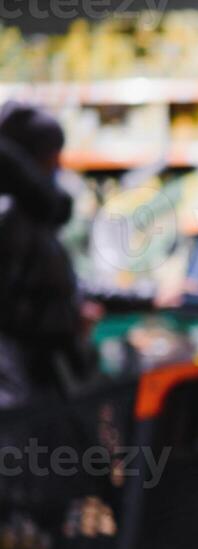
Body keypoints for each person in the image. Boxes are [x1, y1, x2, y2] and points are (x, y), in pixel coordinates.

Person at [0, 103, 96, 408]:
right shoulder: (14, 217)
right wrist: (68, 320)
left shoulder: (30, 214)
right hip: (25, 388)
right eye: (53, 151)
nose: (59, 162)